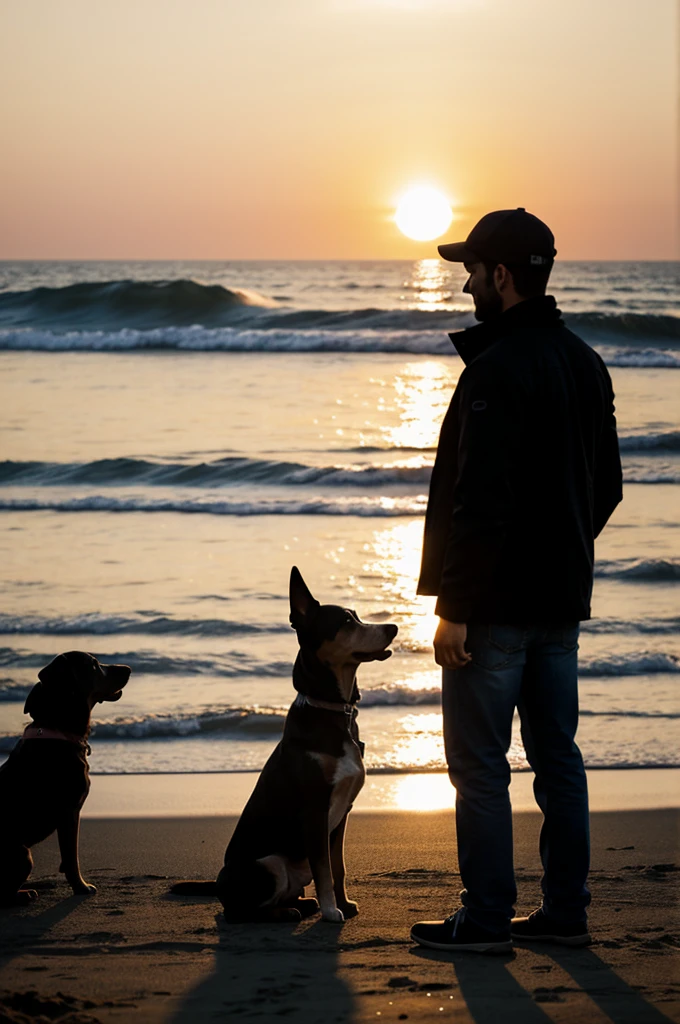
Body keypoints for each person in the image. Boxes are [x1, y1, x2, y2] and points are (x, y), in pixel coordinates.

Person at [410, 208, 623, 954]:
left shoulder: (496, 370)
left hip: (494, 608)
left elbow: (479, 502)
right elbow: (607, 489)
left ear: (500, 276)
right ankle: (567, 913)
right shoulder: (584, 361)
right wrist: (561, 553)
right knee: (558, 757)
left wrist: (455, 608)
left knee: (478, 767)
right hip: (560, 603)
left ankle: (487, 920)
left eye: (471, 270)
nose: (466, 282)